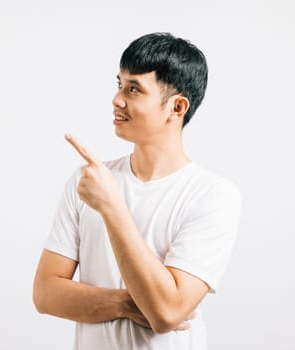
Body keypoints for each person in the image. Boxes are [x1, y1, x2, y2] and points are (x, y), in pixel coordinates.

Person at [32, 32, 242, 350]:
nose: (117, 99)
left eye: (134, 89)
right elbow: (45, 294)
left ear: (177, 107)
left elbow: (166, 312)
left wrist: (112, 206)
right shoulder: (88, 180)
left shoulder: (213, 196)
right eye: (119, 84)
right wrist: (126, 304)